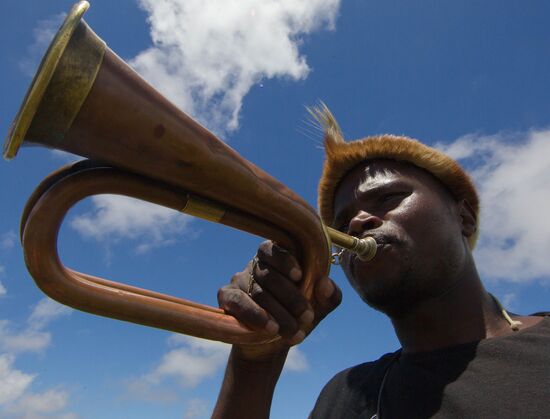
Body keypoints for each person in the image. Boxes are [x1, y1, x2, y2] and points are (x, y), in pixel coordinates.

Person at [212, 105, 549, 419]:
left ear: (464, 218)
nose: (357, 223)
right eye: (341, 225)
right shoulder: (343, 396)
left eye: (388, 197)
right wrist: (256, 359)